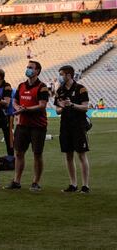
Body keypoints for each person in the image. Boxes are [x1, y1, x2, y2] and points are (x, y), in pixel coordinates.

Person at [7, 60, 49, 192]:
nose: (28, 69)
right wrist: (17, 107)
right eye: (27, 67)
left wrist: (26, 109)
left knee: (37, 154)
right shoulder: (21, 86)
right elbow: (15, 100)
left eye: (30, 67)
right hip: (22, 125)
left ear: (37, 71)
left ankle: (36, 182)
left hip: (38, 126)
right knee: (19, 153)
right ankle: (16, 181)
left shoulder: (42, 87)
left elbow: (42, 105)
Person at [54, 65, 90, 193]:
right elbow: (57, 110)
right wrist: (62, 107)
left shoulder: (80, 89)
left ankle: (85, 185)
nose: (60, 77)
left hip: (79, 126)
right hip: (65, 126)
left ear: (69, 75)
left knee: (81, 155)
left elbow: (86, 107)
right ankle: (73, 184)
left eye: (61, 74)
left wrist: (72, 105)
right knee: (68, 155)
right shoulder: (60, 90)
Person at [0, 69, 14, 157]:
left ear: (0, 77)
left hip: (6, 115)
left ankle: (11, 157)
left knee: (9, 138)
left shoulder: (7, 86)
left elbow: (7, 103)